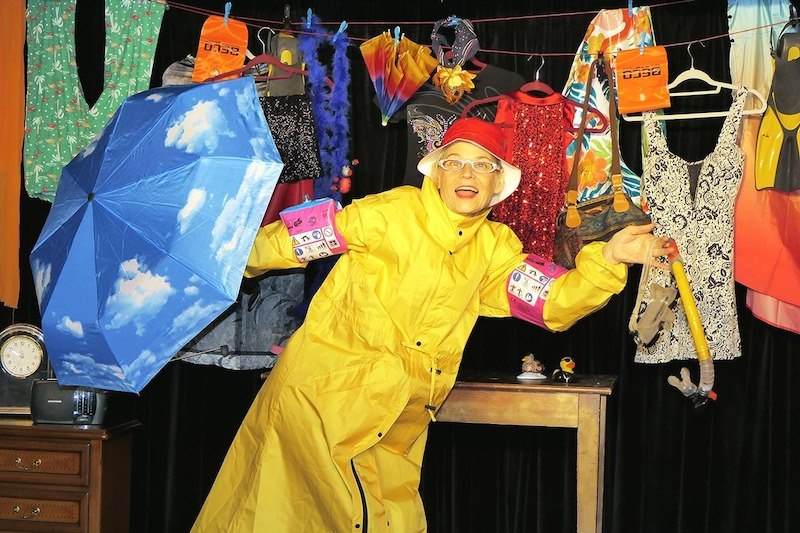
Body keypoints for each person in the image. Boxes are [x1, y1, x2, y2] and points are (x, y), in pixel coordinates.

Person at [192, 117, 672, 532]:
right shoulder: (387, 213)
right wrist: (216, 255)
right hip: (318, 404)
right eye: (455, 161)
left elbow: (551, 303)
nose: (468, 173)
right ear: (436, 174)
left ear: (498, 182)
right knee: (287, 516)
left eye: (483, 165)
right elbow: (287, 243)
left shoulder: (495, 250)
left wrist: (608, 259)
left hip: (397, 427)